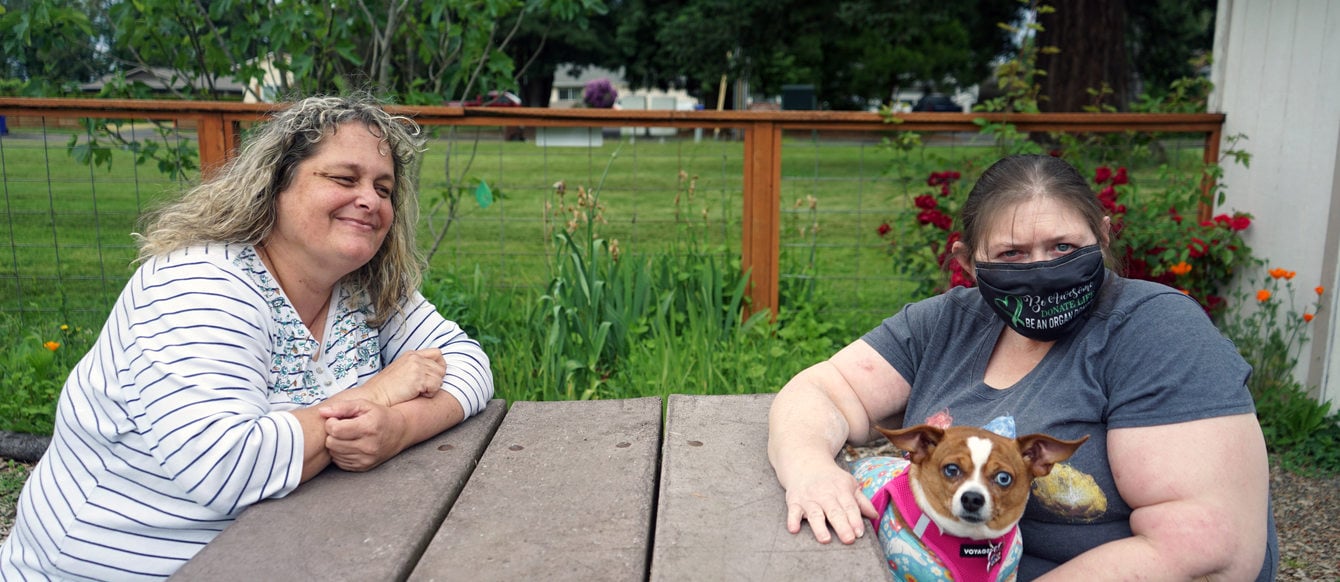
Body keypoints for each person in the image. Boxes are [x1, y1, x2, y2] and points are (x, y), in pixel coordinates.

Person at [0, 94, 494, 580]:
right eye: (345, 178)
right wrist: (379, 393)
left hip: (284, 549)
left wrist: (397, 429)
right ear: (275, 184)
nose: (370, 200)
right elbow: (228, 467)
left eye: (384, 189)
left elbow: (468, 364)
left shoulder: (364, 286)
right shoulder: (200, 285)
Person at [768, 154, 1277, 580]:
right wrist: (811, 470)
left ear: (1101, 237)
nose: (1041, 271)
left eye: (1063, 247)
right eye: (1012, 254)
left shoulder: (1156, 332)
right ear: (968, 263)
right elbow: (824, 390)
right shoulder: (949, 323)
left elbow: (1207, 548)